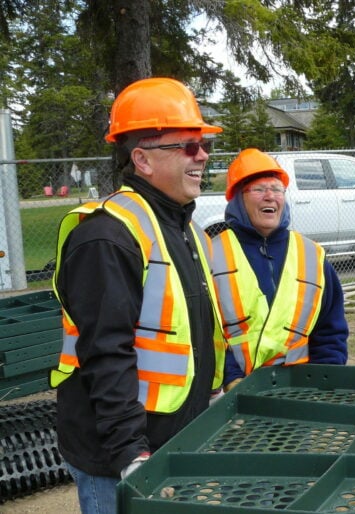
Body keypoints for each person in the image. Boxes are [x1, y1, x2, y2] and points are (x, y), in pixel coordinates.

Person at [49, 77, 226, 514]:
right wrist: (130, 454)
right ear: (142, 160)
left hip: (174, 441)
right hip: (124, 458)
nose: (202, 154)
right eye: (186, 145)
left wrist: (213, 395)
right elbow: (106, 352)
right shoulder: (107, 237)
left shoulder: (183, 229)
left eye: (202, 143)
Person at [210, 148, 348, 390]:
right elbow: (207, 331)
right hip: (237, 393)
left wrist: (324, 382)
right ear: (238, 199)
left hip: (300, 389)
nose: (269, 196)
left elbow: (330, 330)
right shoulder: (212, 254)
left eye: (276, 189)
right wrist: (231, 378)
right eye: (259, 189)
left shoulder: (312, 256)